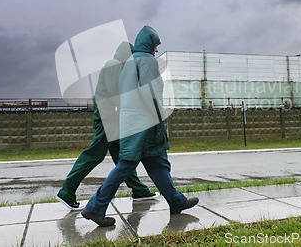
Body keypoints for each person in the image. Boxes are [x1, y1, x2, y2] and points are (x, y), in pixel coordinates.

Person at [81, 26, 199, 226]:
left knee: (157, 163)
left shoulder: (129, 61)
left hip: (131, 121)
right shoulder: (147, 60)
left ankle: (176, 201)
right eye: (156, 46)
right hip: (144, 122)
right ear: (151, 44)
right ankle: (95, 207)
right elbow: (150, 92)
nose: (156, 51)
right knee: (126, 166)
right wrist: (159, 113)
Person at [56, 41, 157, 211]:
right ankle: (67, 191)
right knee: (94, 155)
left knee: (124, 157)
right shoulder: (114, 65)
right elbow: (115, 93)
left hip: (112, 118)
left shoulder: (119, 66)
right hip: (108, 118)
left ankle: (139, 190)